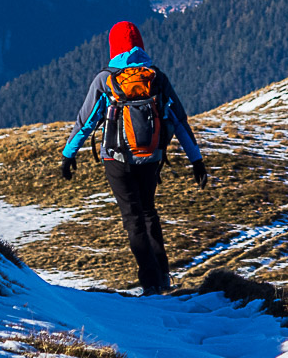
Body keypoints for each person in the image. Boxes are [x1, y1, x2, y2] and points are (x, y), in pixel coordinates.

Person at [59, 21, 207, 295]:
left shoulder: (106, 79)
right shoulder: (156, 78)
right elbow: (179, 120)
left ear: (113, 46)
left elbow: (87, 121)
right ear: (140, 44)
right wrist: (196, 160)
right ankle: (162, 276)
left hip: (117, 160)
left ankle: (149, 283)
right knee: (149, 211)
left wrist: (69, 155)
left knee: (132, 217)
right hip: (151, 157)